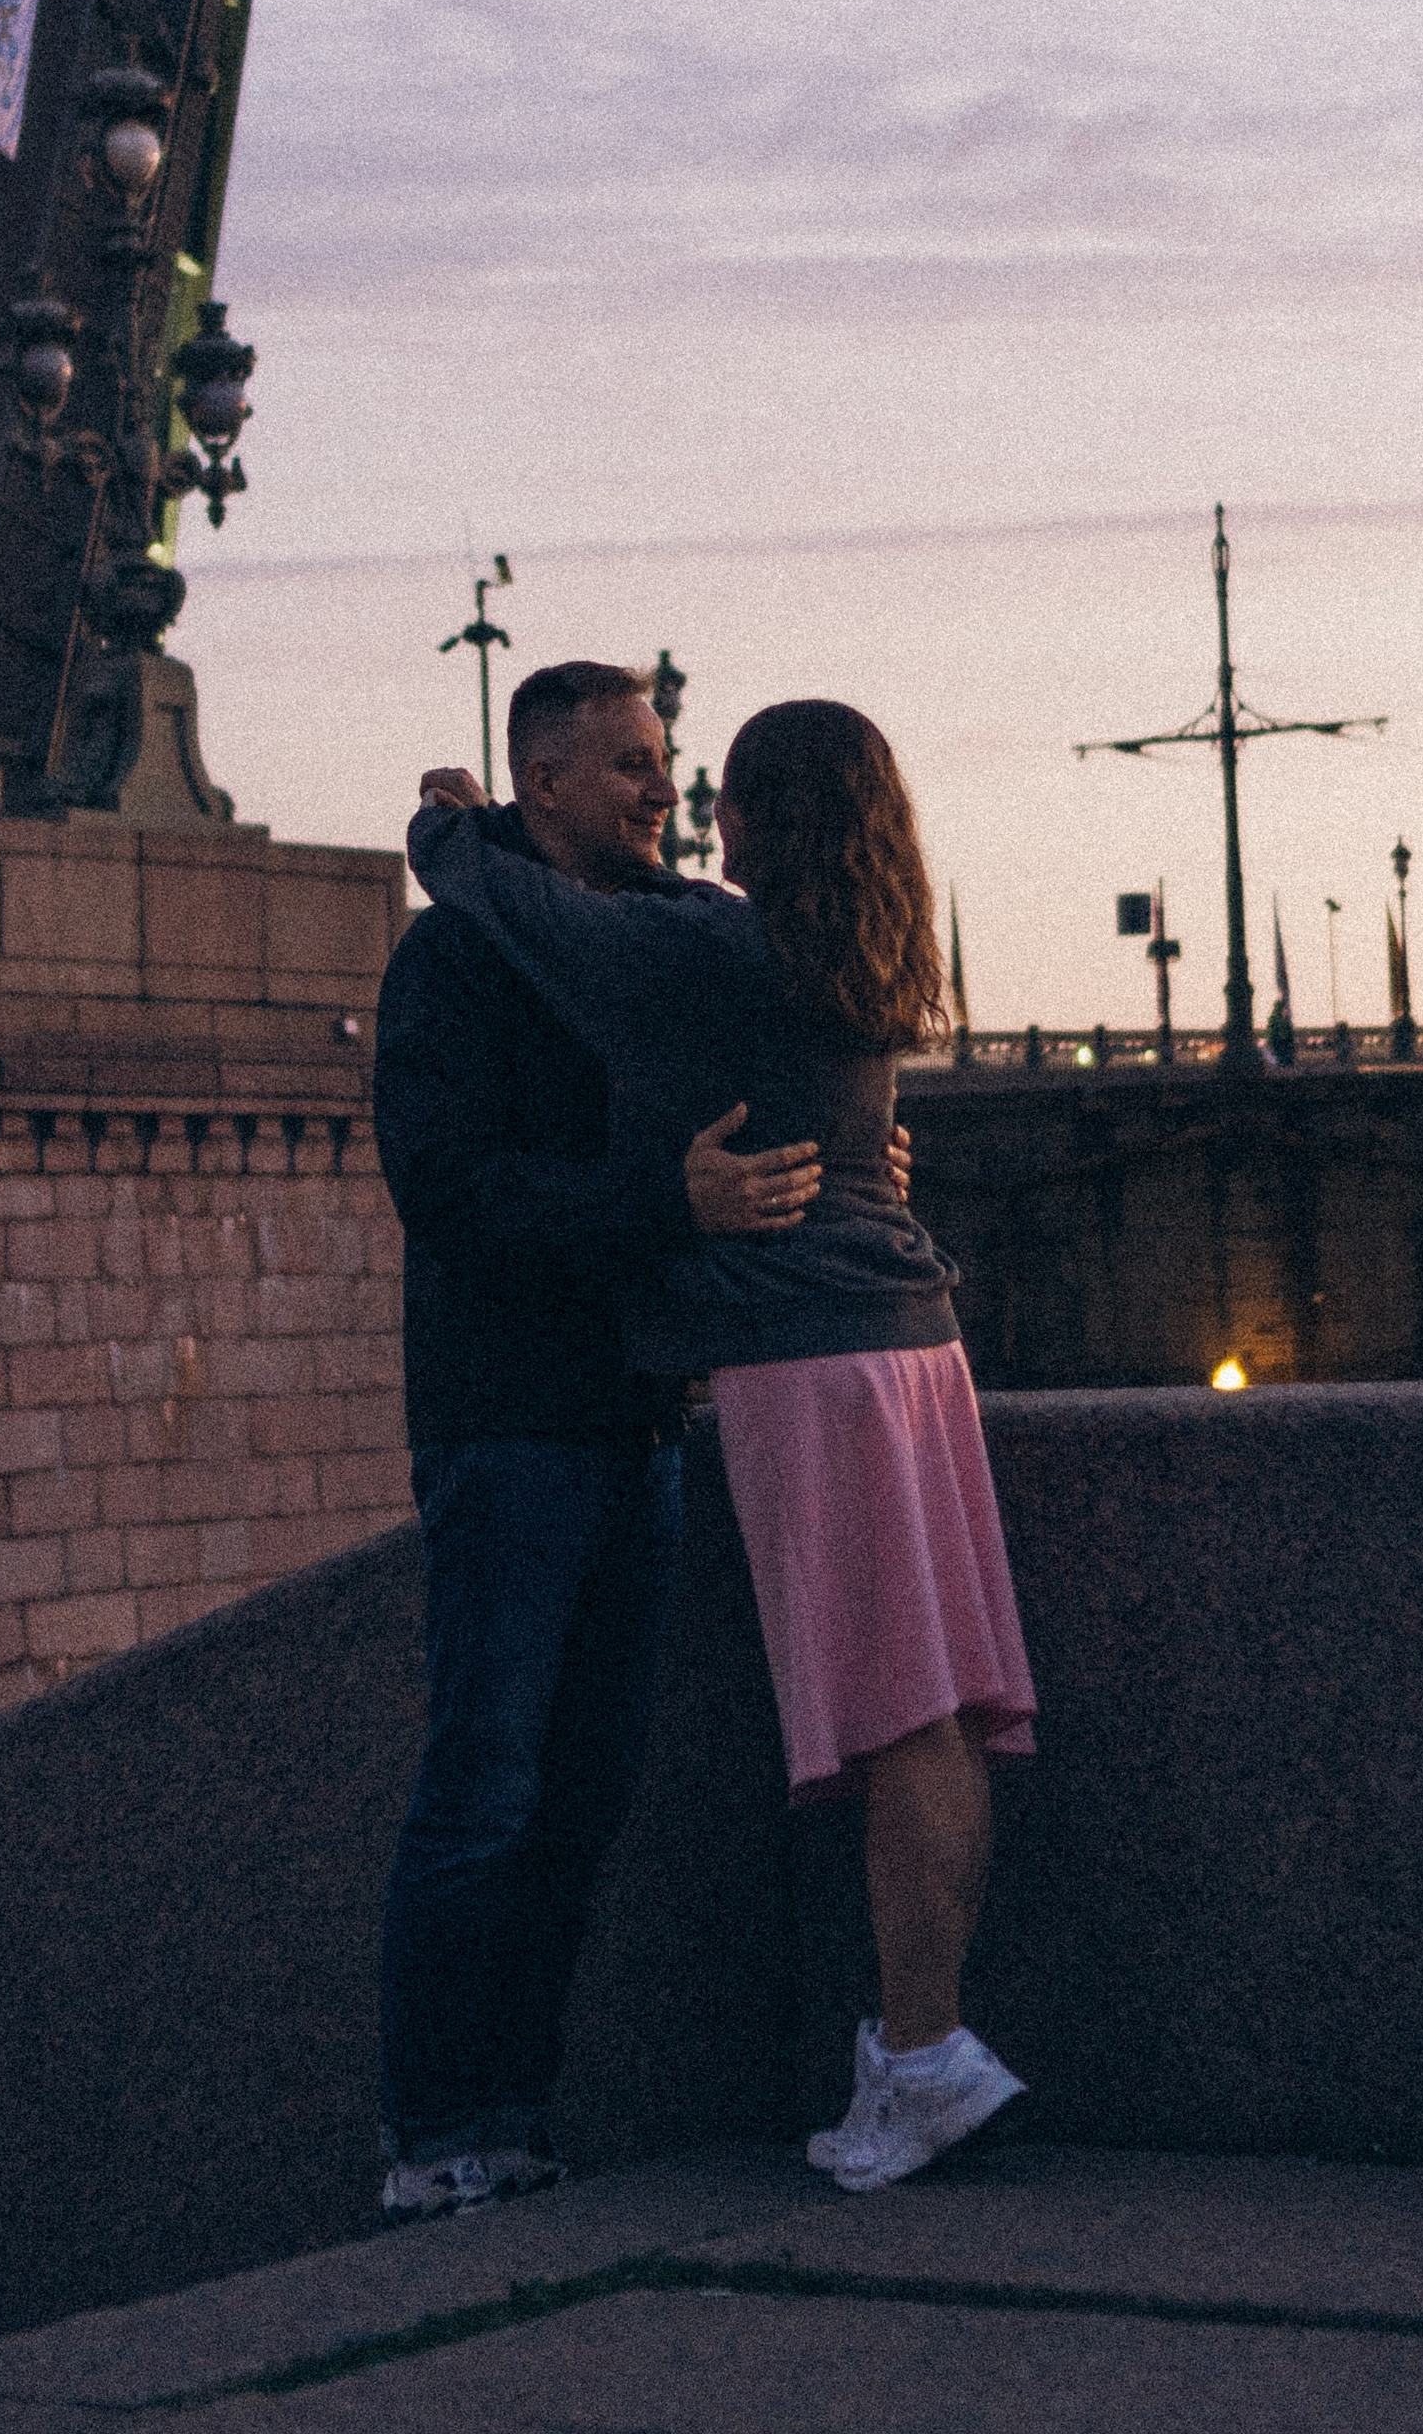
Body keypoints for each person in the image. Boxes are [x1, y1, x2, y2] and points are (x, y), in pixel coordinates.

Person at [409, 695, 1034, 2195]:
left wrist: (449, 824)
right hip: (914, 1345)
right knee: (940, 1711)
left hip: (810, 1363)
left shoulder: (719, 948)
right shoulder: (863, 950)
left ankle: (924, 2055)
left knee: (894, 1718)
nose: (703, 818)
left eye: (725, 796)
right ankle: (920, 2052)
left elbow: (539, 917)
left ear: (776, 817)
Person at [371, 658, 856, 2223]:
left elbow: (769, 1092)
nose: (666, 789)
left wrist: (860, 1155)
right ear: (548, 784)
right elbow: (451, 1195)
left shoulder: (652, 945)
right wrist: (669, 1203)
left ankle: (516, 2117)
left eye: (667, 760)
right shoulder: (453, 966)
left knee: (582, 1795)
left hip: (642, 1419)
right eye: (636, 765)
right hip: (509, 1425)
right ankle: (431, 2133)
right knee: (486, 1785)